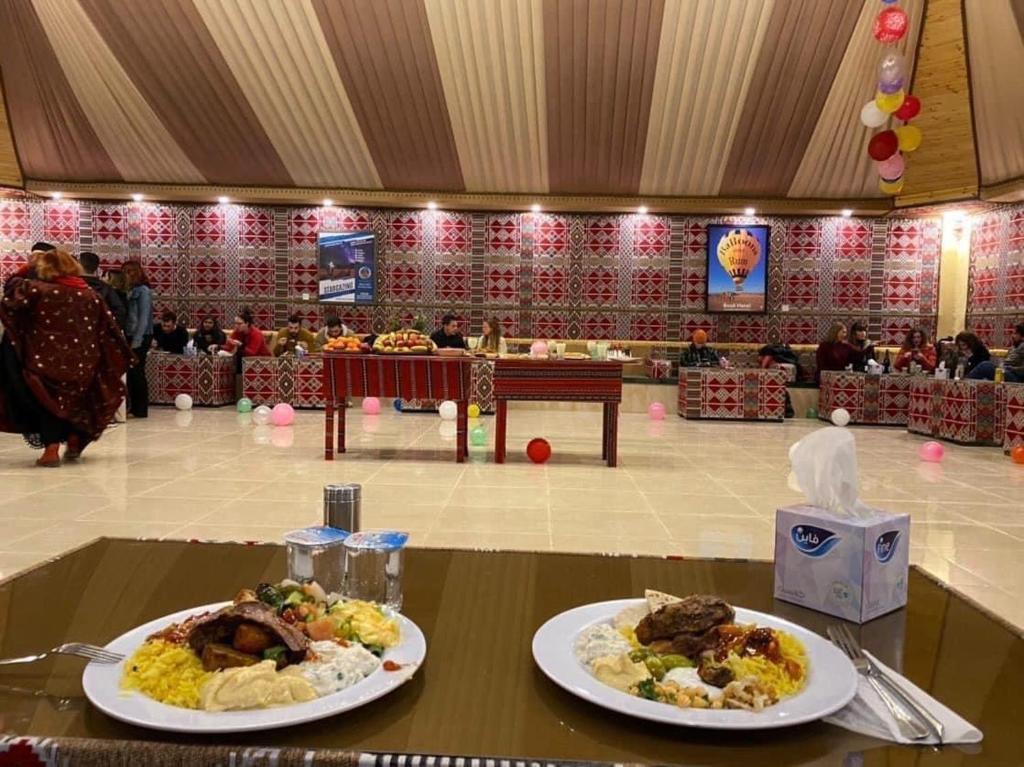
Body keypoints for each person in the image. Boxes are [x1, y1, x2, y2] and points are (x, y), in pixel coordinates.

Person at [0, 248, 130, 466]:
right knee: (77, 403)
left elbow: (9, 298)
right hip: (83, 363)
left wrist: (25, 269)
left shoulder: (37, 289)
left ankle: (51, 450)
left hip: (44, 360)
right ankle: (74, 440)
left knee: (47, 402)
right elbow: (108, 327)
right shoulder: (91, 294)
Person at [122, 260, 154, 418]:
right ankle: (132, 407)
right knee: (131, 372)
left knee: (137, 372)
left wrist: (137, 340)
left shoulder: (143, 291)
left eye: (128, 272)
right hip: (130, 333)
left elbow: (143, 318)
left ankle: (140, 409)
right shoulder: (130, 291)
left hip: (140, 335)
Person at [78, 251, 126, 330]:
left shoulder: (71, 286)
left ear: (79, 264)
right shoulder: (106, 288)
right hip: (99, 332)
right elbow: (120, 312)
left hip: (77, 332)